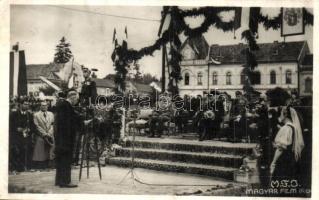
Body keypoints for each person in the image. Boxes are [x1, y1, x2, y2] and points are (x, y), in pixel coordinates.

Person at [54, 89, 91, 188]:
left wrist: (82, 122)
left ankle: (59, 180)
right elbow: (69, 122)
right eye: (77, 99)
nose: (77, 101)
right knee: (66, 159)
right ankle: (65, 181)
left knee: (61, 159)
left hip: (61, 137)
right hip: (66, 138)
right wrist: (82, 124)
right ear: (72, 97)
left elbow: (71, 119)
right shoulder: (66, 106)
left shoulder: (63, 105)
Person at [270, 106, 304, 194]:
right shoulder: (293, 127)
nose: (280, 116)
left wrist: (273, 162)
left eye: (281, 113)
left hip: (283, 160)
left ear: (285, 115)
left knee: (281, 185)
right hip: (291, 159)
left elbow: (281, 148)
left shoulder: (286, 128)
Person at [9, 100, 34, 172]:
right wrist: (16, 129)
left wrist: (29, 129)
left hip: (26, 136)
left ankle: (23, 167)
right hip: (16, 136)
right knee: (16, 151)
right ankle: (14, 168)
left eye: (28, 104)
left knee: (25, 151)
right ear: (20, 105)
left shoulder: (29, 115)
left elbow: (33, 126)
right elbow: (10, 125)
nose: (26, 105)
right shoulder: (14, 114)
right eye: (25, 104)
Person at [32, 101, 55, 170]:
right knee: (40, 148)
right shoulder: (36, 115)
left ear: (47, 106)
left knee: (51, 148)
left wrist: (50, 133)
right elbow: (37, 126)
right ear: (40, 106)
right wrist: (44, 133)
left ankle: (50, 164)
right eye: (42, 105)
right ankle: (41, 164)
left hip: (50, 134)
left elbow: (52, 124)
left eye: (45, 105)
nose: (44, 107)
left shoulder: (51, 114)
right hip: (41, 135)